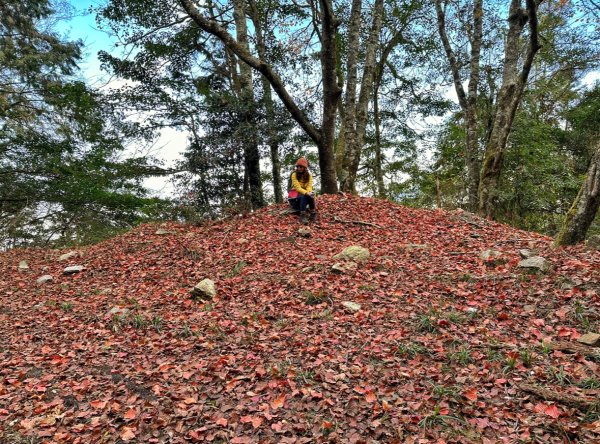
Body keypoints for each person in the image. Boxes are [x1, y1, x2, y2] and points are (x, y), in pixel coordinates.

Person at [288, 157, 317, 223]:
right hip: (294, 200)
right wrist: (307, 193)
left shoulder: (309, 175)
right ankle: (302, 215)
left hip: (303, 199)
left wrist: (310, 193)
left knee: (310, 195)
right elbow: (298, 188)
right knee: (305, 195)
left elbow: (309, 187)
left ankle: (313, 213)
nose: (299, 168)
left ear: (305, 168)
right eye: (298, 166)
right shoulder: (294, 174)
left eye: (301, 167)